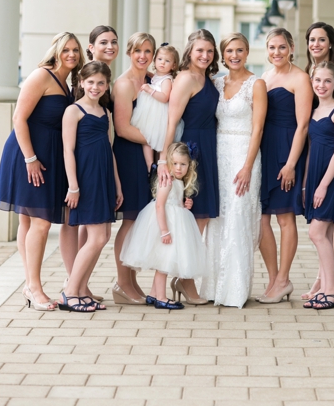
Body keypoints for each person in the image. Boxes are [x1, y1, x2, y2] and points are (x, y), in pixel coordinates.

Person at [0, 32, 83, 310]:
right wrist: (30, 158)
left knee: (28, 222)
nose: (71, 54)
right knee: (41, 223)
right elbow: (18, 118)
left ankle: (28, 283)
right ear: (55, 51)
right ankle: (34, 287)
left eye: (75, 50)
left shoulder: (67, 83)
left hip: (47, 155)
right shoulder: (41, 76)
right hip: (29, 154)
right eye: (66, 49)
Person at [200, 33, 266, 308]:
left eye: (239, 50)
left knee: (239, 217)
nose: (234, 55)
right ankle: (212, 287)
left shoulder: (256, 84)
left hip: (243, 155)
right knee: (218, 219)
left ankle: (235, 290)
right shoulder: (215, 82)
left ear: (247, 52)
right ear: (222, 54)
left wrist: (248, 166)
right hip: (218, 153)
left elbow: (258, 128)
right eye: (229, 51)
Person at [159, 29, 219, 305]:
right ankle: (185, 280)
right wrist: (165, 160)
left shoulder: (206, 78)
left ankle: (185, 278)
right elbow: (172, 122)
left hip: (208, 148)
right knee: (192, 219)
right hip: (192, 150)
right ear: (189, 52)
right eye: (200, 51)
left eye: (209, 51)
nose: (205, 55)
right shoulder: (185, 79)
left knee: (202, 217)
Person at [63, 25, 120, 303]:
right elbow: (68, 150)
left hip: (104, 176)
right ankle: (70, 291)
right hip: (85, 177)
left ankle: (82, 288)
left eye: (101, 83)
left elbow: (109, 149)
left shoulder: (105, 111)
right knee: (96, 237)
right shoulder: (73, 111)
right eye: (91, 83)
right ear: (82, 83)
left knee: (103, 234)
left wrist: (117, 185)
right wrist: (73, 185)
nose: (95, 87)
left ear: (107, 86)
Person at [257, 28, 312, 304]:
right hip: (265, 151)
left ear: (291, 47)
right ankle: (273, 278)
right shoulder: (265, 77)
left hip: (287, 151)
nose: (276, 52)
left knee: (284, 217)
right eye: (271, 48)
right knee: (261, 218)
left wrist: (291, 164)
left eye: (281, 47)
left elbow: (303, 125)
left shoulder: (301, 78)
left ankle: (284, 279)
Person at [120, 142, 205, 310]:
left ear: (190, 165)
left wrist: (185, 203)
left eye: (183, 164)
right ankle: (161, 298)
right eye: (175, 164)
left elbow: (174, 203)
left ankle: (153, 294)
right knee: (163, 264)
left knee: (164, 260)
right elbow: (160, 205)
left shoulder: (178, 181)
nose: (179, 168)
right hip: (164, 225)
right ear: (168, 162)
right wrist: (164, 231)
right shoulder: (167, 181)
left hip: (174, 223)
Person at [302, 22, 334, 302]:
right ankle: (325, 286)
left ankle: (331, 289)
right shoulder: (316, 111)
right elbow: (311, 150)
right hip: (316, 177)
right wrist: (309, 183)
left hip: (332, 178)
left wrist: (321, 186)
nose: (321, 85)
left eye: (326, 82)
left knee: (317, 232)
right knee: (324, 233)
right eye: (317, 81)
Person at [109, 32, 157, 305]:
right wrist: (157, 140)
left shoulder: (153, 81)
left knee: (140, 221)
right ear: (129, 52)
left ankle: (131, 280)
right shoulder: (124, 84)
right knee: (130, 220)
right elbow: (123, 127)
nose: (143, 56)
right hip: (130, 155)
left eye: (148, 51)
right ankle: (122, 282)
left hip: (150, 156)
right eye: (138, 50)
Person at [131, 43, 182, 173]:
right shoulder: (156, 76)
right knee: (146, 137)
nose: (162, 63)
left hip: (159, 114)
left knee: (154, 139)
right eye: (160, 59)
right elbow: (154, 78)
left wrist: (149, 90)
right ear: (155, 60)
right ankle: (150, 164)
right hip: (150, 113)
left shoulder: (167, 80)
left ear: (174, 65)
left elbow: (164, 97)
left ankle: (156, 164)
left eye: (167, 61)